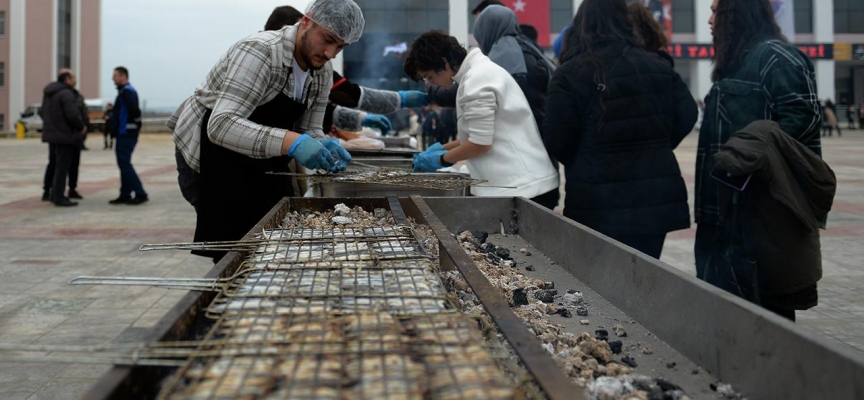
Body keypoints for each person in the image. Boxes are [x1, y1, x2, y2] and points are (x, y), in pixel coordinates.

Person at [169, 0, 363, 261]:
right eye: (327, 39)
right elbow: (222, 125)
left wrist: (321, 144)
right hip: (214, 158)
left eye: (340, 46)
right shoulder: (260, 52)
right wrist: (293, 142)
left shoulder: (321, 71)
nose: (330, 53)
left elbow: (310, 128)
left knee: (270, 238)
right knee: (234, 249)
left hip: (262, 158)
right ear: (306, 21)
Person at [696, 0, 823, 321]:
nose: (710, 20)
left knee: (766, 329)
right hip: (722, 223)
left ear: (739, 12)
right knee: (724, 323)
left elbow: (801, 124)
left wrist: (748, 157)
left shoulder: (778, 58)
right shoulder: (738, 62)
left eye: (716, 10)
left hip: (760, 226)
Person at [543, 0, 696, 259]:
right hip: (652, 200)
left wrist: (584, 157)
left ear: (582, 26)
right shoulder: (658, 66)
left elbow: (557, 138)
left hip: (596, 198)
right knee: (645, 274)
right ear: (626, 23)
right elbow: (688, 114)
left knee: (598, 283)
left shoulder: (570, 74)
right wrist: (656, 145)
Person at [404, 31, 560, 209]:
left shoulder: (477, 81)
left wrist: (440, 160)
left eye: (430, 76)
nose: (431, 83)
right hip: (520, 184)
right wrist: (441, 148)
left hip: (525, 187)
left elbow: (480, 143)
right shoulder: (476, 74)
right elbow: (478, 134)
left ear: (444, 63)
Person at [264, 6, 427, 135]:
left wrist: (362, 118)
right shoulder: (263, 56)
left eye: (339, 47)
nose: (330, 54)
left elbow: (340, 99)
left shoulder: (317, 69)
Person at [40, 70, 86, 207]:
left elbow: (44, 113)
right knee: (62, 167)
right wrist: (80, 126)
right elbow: (72, 115)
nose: (75, 80)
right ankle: (59, 197)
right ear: (67, 79)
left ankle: (54, 194)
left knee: (56, 164)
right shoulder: (66, 93)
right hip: (65, 135)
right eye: (73, 78)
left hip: (54, 135)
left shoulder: (49, 94)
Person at [109, 67, 148, 205]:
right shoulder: (125, 91)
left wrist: (136, 125)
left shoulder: (127, 92)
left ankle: (140, 193)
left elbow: (134, 111)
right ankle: (125, 194)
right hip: (125, 132)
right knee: (123, 164)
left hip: (126, 133)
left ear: (123, 76)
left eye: (115, 76)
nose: (113, 78)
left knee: (124, 164)